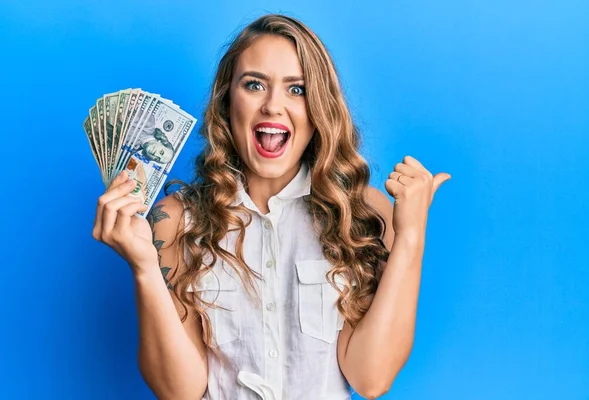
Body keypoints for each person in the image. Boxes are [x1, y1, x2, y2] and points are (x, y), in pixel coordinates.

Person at [92, 13, 451, 400]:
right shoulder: (175, 222)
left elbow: (371, 377)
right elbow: (179, 390)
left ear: (319, 109)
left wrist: (411, 238)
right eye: (254, 85)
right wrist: (144, 268)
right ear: (228, 101)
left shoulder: (362, 214)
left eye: (296, 89)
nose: (273, 106)